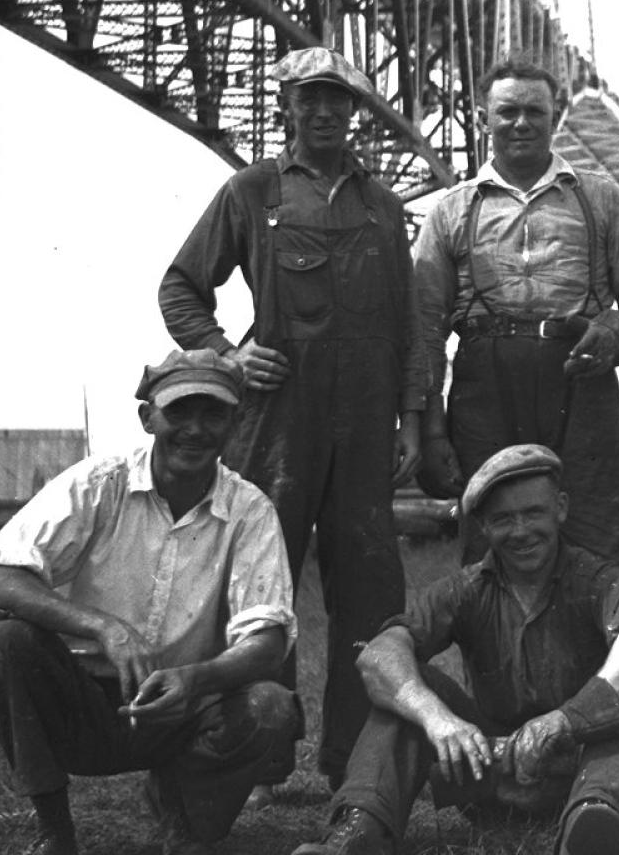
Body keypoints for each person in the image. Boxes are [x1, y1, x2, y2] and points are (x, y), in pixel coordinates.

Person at [158, 46, 420, 796]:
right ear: (287, 107)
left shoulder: (385, 208)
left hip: (366, 426)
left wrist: (408, 420)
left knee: (370, 589)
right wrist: (225, 357)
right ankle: (258, 754)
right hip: (276, 427)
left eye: (339, 101)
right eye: (311, 99)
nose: (326, 112)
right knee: (259, 587)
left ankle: (351, 761)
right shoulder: (252, 191)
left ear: (356, 113)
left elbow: (405, 325)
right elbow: (180, 288)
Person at [0, 349, 298, 855]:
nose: (195, 430)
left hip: (181, 705)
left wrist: (194, 679)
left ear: (235, 422)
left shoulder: (250, 510)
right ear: (148, 417)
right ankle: (53, 830)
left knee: (271, 706)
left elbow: (268, 639)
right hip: (78, 700)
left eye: (213, 414)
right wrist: (103, 627)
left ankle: (182, 819)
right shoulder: (98, 483)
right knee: (4, 640)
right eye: (179, 412)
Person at [291, 444, 619, 855]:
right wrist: (437, 719)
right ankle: (358, 831)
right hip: (492, 774)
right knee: (403, 687)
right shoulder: (466, 589)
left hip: (583, 766)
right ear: (484, 529)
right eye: (503, 520)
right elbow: (378, 654)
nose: (522, 531)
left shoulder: (597, 577)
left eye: (533, 513)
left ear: (560, 508)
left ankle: (591, 825)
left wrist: (565, 721)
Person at [409, 56, 619, 578]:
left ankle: (613, 656)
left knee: (599, 533)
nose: (521, 123)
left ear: (555, 117)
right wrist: (433, 432)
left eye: (534, 111)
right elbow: (423, 328)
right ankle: (497, 658)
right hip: (484, 388)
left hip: (580, 379)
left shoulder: (600, 198)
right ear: (484, 119)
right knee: (490, 540)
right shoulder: (451, 210)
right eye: (507, 112)